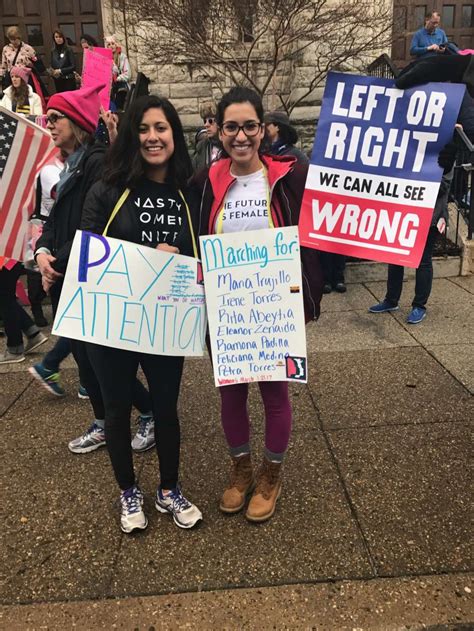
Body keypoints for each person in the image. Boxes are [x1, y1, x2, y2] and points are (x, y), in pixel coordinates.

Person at [191, 86, 323, 523]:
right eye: (232, 127)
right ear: (219, 130)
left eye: (250, 125)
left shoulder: (291, 174)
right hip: (226, 310)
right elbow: (189, 231)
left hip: (274, 308)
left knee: (274, 394)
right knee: (230, 394)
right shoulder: (204, 181)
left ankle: (271, 474)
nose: (241, 135)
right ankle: (240, 469)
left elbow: (328, 213)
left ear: (263, 129)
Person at [79, 94, 202, 533]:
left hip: (167, 320)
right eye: (144, 129)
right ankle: (128, 492)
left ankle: (169, 490)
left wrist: (187, 257)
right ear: (132, 135)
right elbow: (88, 253)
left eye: (161, 128)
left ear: (174, 135)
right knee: (116, 411)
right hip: (114, 322)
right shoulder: (108, 189)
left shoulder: (189, 189)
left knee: (166, 409)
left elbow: (204, 248)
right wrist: (147, 256)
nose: (153, 137)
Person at [33, 84, 154, 454]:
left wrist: (56, 261)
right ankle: (102, 422)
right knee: (85, 363)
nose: (49, 125)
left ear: (79, 123)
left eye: (56, 118)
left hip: (89, 273)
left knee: (103, 363)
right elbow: (52, 219)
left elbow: (95, 225)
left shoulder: (98, 162)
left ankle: (149, 411)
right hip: (64, 271)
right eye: (47, 118)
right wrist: (40, 251)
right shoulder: (66, 166)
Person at [0, 261, 48, 364]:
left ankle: (15, 349)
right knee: (7, 299)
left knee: (5, 301)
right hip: (11, 260)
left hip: (4, 261)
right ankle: (32, 332)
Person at [192, 101, 221, 170]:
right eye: (205, 121)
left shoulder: (228, 147)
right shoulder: (202, 147)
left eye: (210, 121)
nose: (206, 125)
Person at [104, 35, 131, 110]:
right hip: (110, 89)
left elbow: (127, 74)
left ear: (116, 45)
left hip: (121, 87)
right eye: (109, 44)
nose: (111, 46)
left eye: (112, 44)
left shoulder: (122, 57)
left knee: (119, 106)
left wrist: (117, 78)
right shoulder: (105, 59)